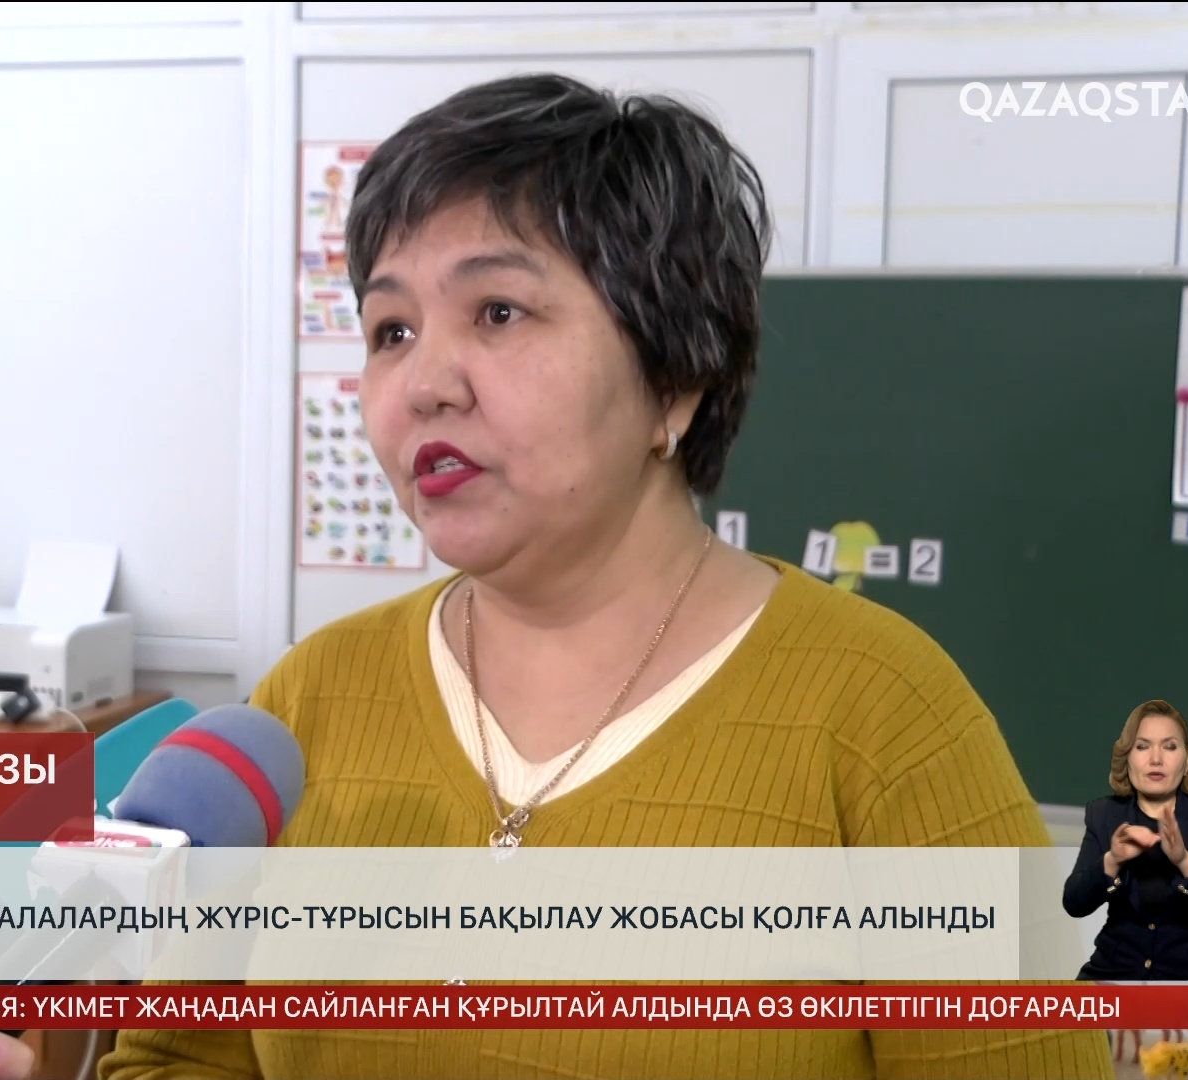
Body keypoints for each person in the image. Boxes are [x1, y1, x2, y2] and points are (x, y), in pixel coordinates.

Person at [104, 72, 1112, 1079]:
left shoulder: (887, 717)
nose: (423, 384)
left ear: (674, 375)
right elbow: (173, 1059)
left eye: (499, 312)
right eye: (390, 331)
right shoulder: (304, 703)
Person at [1062, 699, 1188, 981]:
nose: (1156, 759)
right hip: (1115, 974)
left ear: (1187, 760)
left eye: (1169, 747)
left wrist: (1185, 861)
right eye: (1142, 747)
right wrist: (1112, 860)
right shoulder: (1105, 814)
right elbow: (1074, 903)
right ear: (1127, 757)